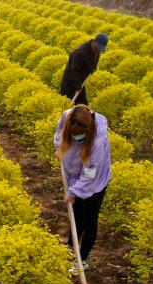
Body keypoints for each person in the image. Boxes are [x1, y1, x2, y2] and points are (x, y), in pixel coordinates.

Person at [54, 104, 112, 273]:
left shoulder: (97, 143)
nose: (74, 138)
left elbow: (89, 175)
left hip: (95, 182)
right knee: (76, 215)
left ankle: (83, 258)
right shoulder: (67, 115)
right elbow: (58, 131)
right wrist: (59, 146)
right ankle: (71, 250)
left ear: (87, 131)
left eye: (78, 136)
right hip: (74, 173)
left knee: (89, 219)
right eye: (71, 134)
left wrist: (73, 192)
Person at [59, 33, 108, 105]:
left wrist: (93, 68)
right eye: (97, 48)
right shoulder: (80, 52)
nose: (98, 50)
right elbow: (74, 71)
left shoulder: (96, 51)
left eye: (100, 49)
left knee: (84, 106)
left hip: (81, 82)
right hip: (69, 83)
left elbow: (94, 61)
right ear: (94, 42)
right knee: (68, 108)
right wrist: (77, 87)